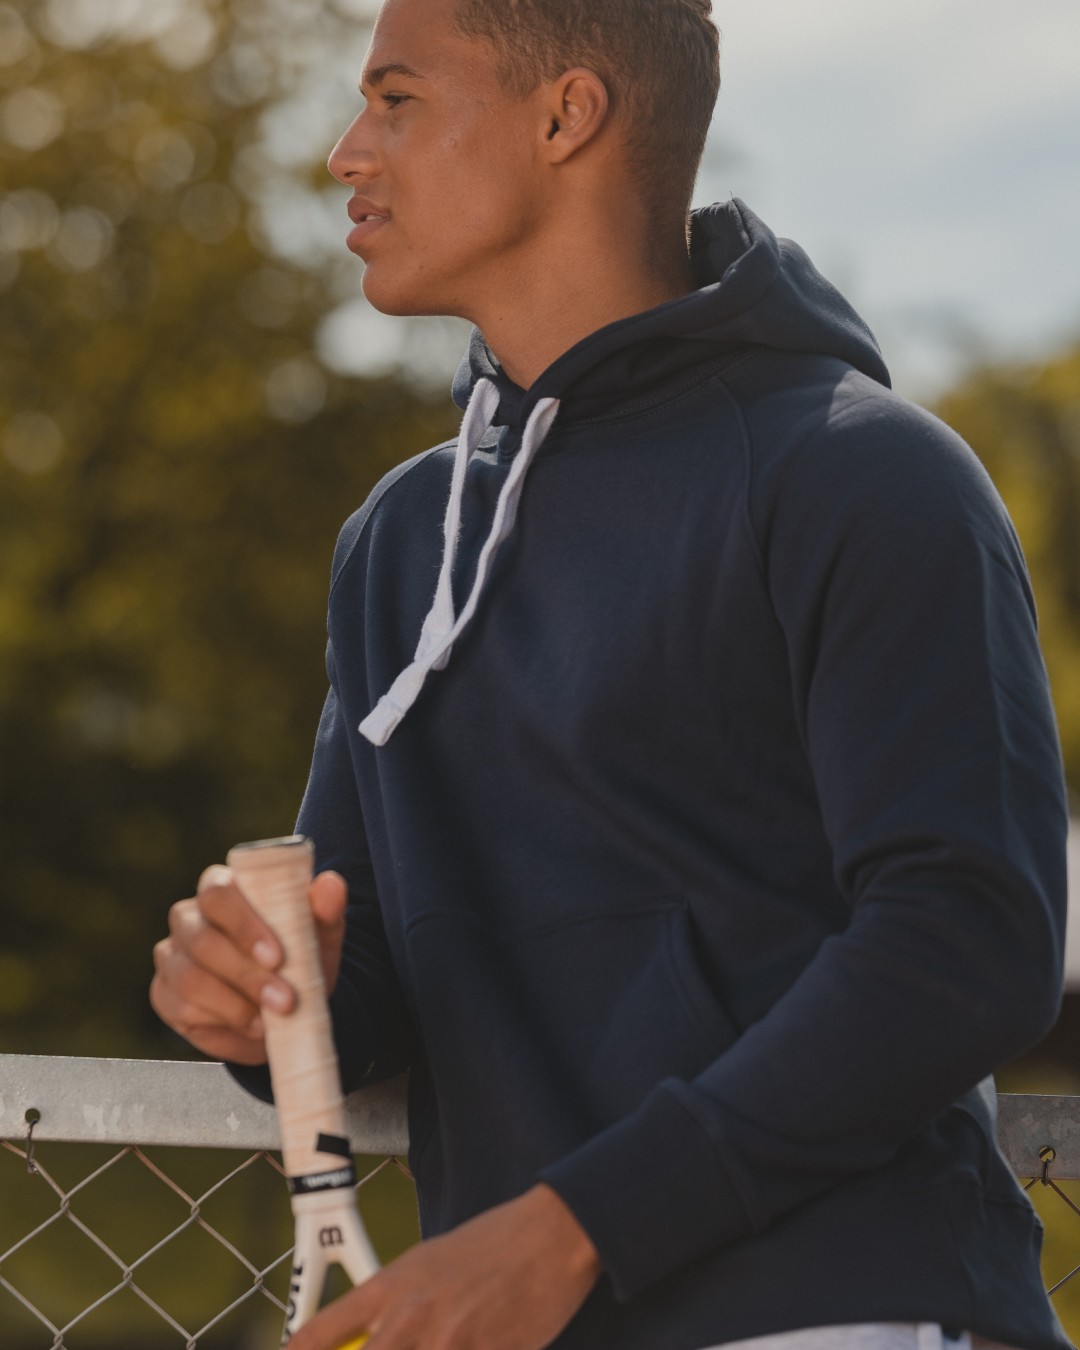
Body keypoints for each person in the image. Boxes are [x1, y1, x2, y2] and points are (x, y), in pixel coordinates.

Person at [149, 1, 1073, 1348]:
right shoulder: (401, 543)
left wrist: (579, 1224)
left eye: (396, 99)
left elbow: (967, 940)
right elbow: (378, 999)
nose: (347, 151)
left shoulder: (862, 474)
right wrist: (257, 1006)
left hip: (838, 1311)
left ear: (565, 115)